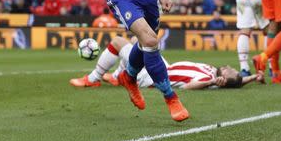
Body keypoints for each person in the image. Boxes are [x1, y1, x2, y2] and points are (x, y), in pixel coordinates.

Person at [70, 36, 261, 90]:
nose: (229, 67)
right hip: (164, 65)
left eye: (229, 71)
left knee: (119, 42)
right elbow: (237, 82)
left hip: (153, 75)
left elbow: (189, 87)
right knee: (139, 43)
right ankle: (118, 77)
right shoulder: (218, 73)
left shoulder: (208, 78)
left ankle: (93, 78)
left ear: (222, 80)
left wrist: (212, 82)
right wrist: (253, 77)